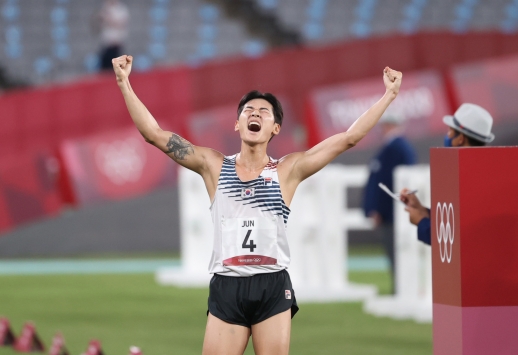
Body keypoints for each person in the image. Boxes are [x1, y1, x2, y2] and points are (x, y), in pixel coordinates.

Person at [112, 54, 402, 355]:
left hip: (272, 286)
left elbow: (349, 138)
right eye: (248, 110)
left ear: (275, 128)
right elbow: (154, 135)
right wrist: (124, 83)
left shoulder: (288, 170)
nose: (256, 114)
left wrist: (389, 95)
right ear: (237, 124)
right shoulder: (212, 165)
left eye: (264, 112)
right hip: (227, 285)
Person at [399, 103, 495, 245]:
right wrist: (422, 210)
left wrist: (422, 221)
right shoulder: (487, 172)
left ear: (461, 138)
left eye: (451, 131)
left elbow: (456, 238)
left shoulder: (463, 176)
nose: (447, 135)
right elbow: (460, 220)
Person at [362, 114, 416, 294]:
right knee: (394, 252)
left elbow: (390, 183)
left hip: (393, 213)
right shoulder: (393, 147)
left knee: (397, 251)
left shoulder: (397, 148)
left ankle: (402, 289)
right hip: (390, 212)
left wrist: (378, 209)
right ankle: (400, 289)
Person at [95, 0, 129, 71]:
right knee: (104, 68)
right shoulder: (105, 8)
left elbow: (120, 24)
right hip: (106, 44)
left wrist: (108, 19)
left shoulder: (121, 9)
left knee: (114, 69)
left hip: (116, 43)